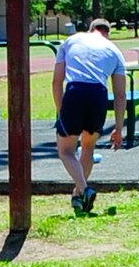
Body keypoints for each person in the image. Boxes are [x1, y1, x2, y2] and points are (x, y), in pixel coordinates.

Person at [51, 18, 126, 215]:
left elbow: (56, 81)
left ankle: (84, 189)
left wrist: (61, 111)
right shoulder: (115, 51)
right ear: (107, 33)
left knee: (66, 150)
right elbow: (120, 94)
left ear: (90, 29)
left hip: (76, 91)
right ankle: (78, 196)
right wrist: (118, 128)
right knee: (88, 148)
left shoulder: (71, 41)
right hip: (99, 94)